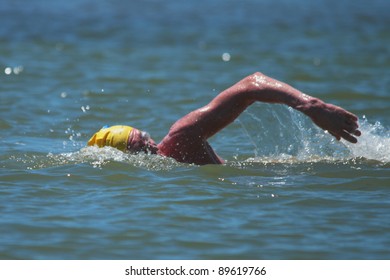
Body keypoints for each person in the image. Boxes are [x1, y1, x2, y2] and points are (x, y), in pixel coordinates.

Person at [87, 72, 361, 165]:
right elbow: (252, 86)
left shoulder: (179, 141)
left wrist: (312, 106)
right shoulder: (178, 146)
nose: (152, 148)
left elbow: (252, 84)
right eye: (144, 145)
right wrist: (312, 107)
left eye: (146, 141)